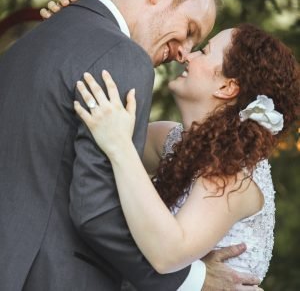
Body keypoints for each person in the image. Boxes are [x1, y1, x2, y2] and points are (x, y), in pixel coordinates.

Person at [0, 0, 260, 290]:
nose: (184, 53)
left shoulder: (30, 42)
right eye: (189, 31)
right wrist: (194, 280)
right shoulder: (123, 56)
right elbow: (96, 210)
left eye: (198, 46)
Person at [72, 24, 300, 288]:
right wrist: (77, 29)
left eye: (204, 52)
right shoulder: (173, 141)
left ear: (227, 87)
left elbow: (166, 254)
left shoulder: (231, 174)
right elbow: (93, 136)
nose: (188, 56)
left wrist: (120, 145)